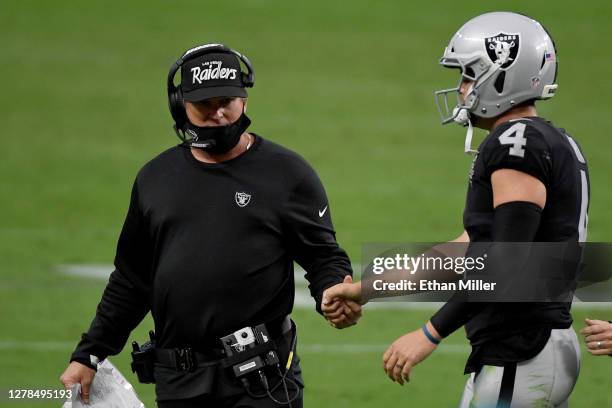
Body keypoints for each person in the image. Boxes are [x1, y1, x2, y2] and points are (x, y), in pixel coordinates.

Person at [59, 43, 361, 408]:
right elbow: (132, 279)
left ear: (244, 101)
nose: (218, 114)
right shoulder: (155, 179)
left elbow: (323, 255)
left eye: (227, 101)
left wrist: (332, 293)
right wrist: (89, 353)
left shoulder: (287, 174)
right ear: (181, 106)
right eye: (205, 105)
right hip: (179, 381)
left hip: (262, 380)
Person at [323, 12, 588, 407]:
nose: (461, 89)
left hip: (523, 351)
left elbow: (503, 265)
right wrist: (367, 289)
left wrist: (429, 333)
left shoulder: (517, 145)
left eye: (467, 75)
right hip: (531, 349)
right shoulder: (544, 139)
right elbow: (463, 251)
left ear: (501, 76)